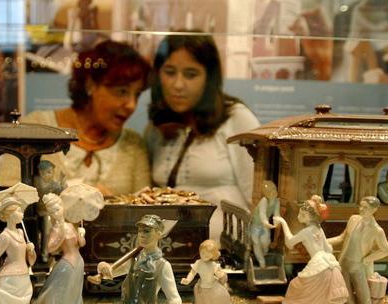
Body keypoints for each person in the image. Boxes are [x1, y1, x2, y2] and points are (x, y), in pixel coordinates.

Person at [145, 33, 260, 242]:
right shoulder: (156, 129)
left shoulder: (236, 118)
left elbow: (259, 198)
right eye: (169, 72)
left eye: (191, 74)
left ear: (209, 78)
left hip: (226, 253)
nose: (178, 85)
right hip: (171, 252)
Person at [22, 40, 151, 196]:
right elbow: (8, 197)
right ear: (90, 85)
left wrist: (113, 206)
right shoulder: (36, 127)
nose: (132, 105)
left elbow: (145, 212)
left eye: (137, 94)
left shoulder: (134, 144)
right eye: (122, 91)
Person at [273, 195, 348, 304]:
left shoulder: (307, 231)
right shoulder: (319, 229)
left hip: (319, 264)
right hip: (330, 263)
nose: (299, 216)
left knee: (296, 288)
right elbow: (329, 249)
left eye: (301, 214)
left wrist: (283, 222)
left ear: (307, 216)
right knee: (324, 301)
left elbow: (289, 242)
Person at [327, 196, 388, 304]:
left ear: (374, 210)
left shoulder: (377, 230)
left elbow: (386, 250)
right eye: (361, 206)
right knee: (347, 296)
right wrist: (324, 241)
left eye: (365, 207)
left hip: (359, 267)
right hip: (344, 264)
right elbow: (342, 237)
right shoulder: (353, 219)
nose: (361, 209)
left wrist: (367, 259)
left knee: (365, 299)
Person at [29, 193, 85, 304]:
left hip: (78, 263)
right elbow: (49, 248)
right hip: (66, 265)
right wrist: (59, 235)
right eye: (52, 210)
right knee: (57, 297)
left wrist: (81, 235)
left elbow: (81, 244)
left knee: (71, 297)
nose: (56, 212)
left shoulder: (69, 226)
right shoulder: (55, 228)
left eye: (58, 208)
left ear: (62, 207)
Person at [181, 239, 231, 304]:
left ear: (213, 255)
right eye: (202, 253)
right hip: (202, 288)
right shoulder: (198, 263)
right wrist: (188, 280)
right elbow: (193, 272)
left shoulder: (214, 265)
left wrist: (220, 274)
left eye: (207, 255)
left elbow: (221, 275)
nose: (204, 256)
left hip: (213, 288)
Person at [34, 160, 67, 262]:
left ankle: (52, 250)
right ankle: (44, 252)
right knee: (45, 231)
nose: (51, 174)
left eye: (52, 172)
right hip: (39, 211)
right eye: (48, 172)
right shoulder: (36, 181)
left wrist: (62, 181)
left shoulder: (53, 183)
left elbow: (61, 190)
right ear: (41, 172)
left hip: (49, 211)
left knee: (53, 230)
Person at [250, 180, 280, 268]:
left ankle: (264, 254)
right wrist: (267, 223)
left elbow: (276, 214)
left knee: (265, 241)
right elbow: (262, 214)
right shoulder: (264, 200)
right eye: (271, 191)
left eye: (274, 190)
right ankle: (261, 261)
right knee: (256, 242)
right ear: (266, 193)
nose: (273, 193)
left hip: (265, 225)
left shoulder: (276, 201)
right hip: (256, 224)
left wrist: (276, 222)